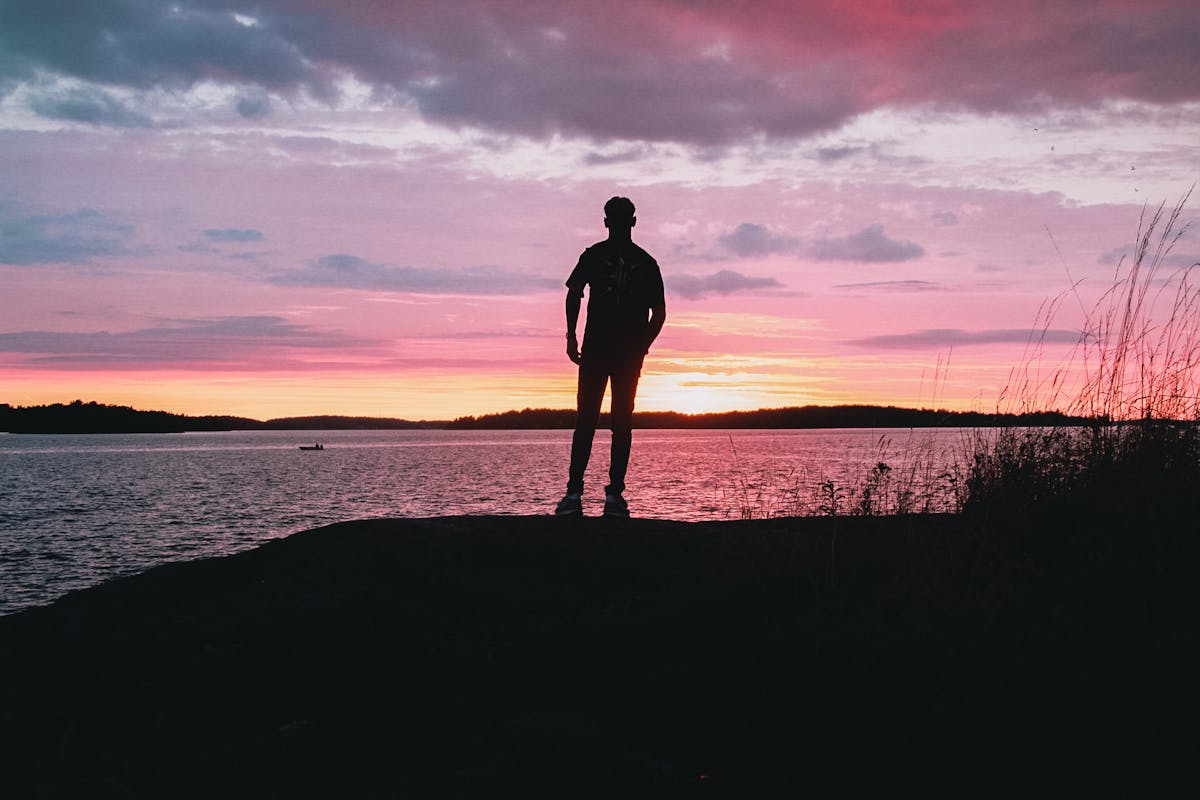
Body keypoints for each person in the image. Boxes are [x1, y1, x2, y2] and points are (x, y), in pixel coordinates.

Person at [555, 196, 666, 517]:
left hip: (597, 349)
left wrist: (572, 335)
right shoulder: (646, 262)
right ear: (633, 221)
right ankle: (614, 496)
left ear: (606, 222)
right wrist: (641, 347)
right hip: (623, 353)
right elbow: (658, 314)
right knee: (622, 423)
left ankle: (574, 494)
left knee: (585, 421)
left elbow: (574, 293)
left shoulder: (594, 255)